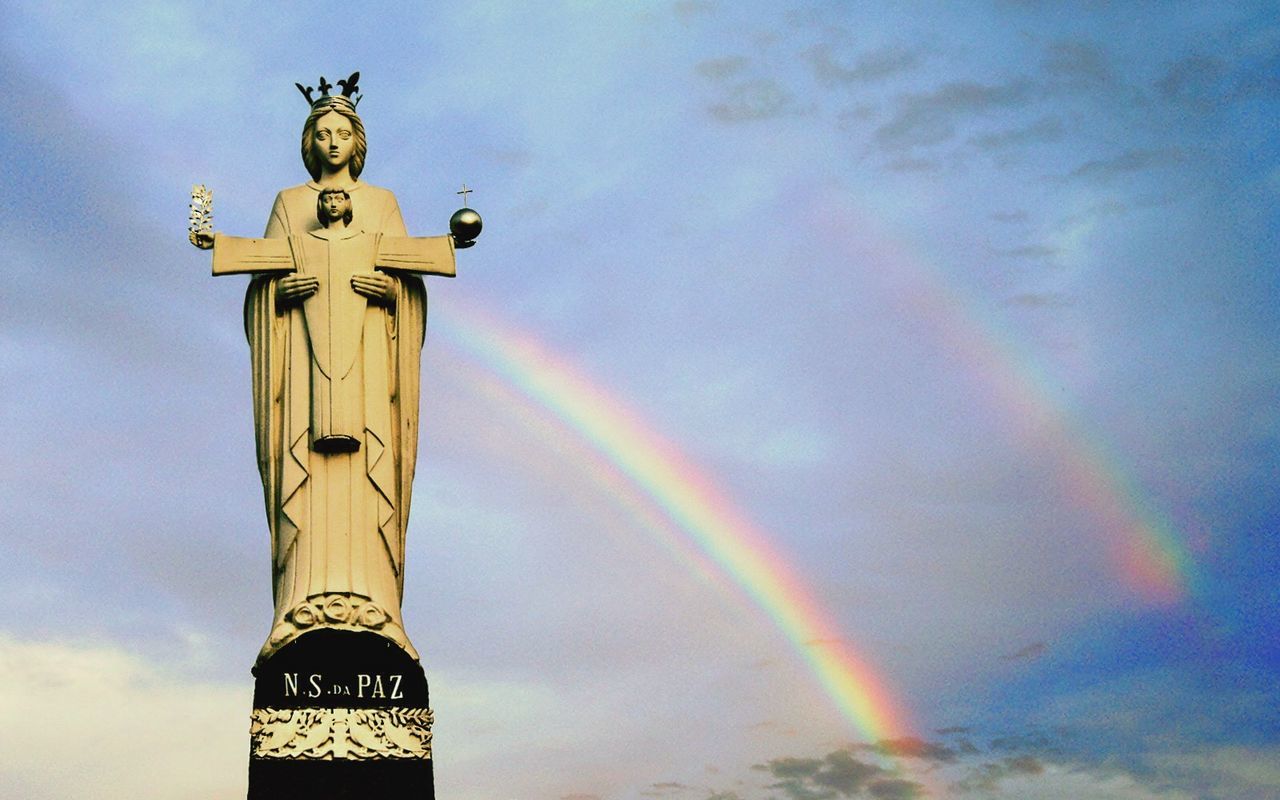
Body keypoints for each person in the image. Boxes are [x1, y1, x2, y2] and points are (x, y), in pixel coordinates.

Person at [242, 86, 431, 664]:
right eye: (322, 134)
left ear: (357, 142)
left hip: (369, 369)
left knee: (365, 478)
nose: (332, 143)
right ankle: (297, 608)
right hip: (302, 372)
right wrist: (279, 295)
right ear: (310, 142)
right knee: (310, 474)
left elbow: (412, 277)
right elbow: (259, 277)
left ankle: (378, 608)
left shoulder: (382, 203)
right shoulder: (286, 203)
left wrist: (393, 292)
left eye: (342, 134)